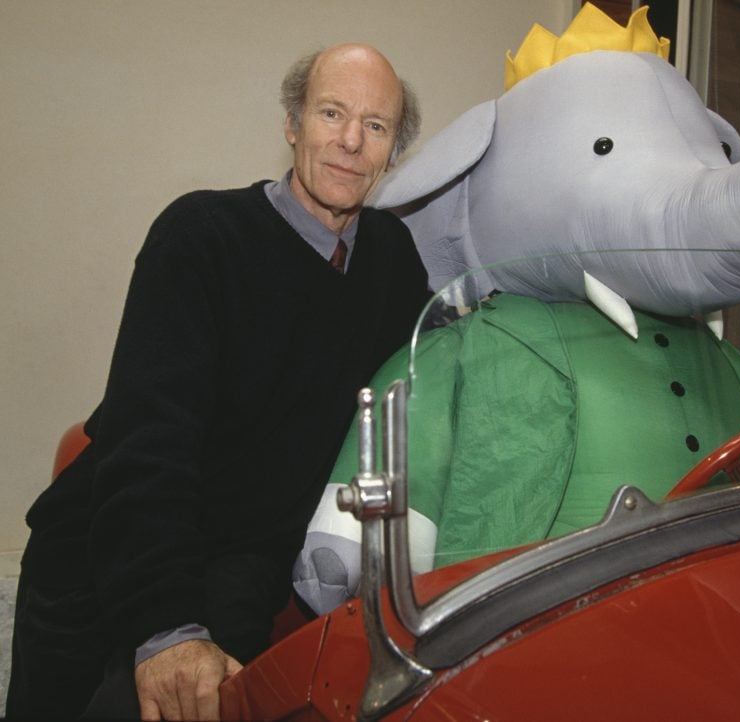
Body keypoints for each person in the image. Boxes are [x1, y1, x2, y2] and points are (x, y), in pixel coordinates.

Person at [6, 43, 430, 721]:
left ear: (391, 153)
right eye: (331, 113)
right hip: (113, 550)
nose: (351, 140)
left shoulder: (391, 260)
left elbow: (437, 353)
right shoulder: (201, 236)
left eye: (375, 126)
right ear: (292, 124)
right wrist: (166, 627)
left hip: (244, 563)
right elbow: (149, 440)